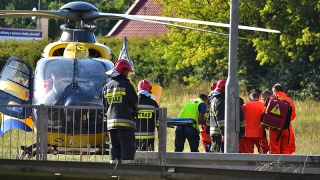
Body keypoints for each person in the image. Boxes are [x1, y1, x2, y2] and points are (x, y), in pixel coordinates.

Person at [102, 59, 139, 164]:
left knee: (114, 146)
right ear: (124, 72)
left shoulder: (106, 87)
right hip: (125, 123)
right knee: (127, 147)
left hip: (111, 124)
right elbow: (135, 103)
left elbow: (105, 105)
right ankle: (126, 173)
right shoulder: (127, 85)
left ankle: (114, 170)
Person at [209, 78, 245, 153]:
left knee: (216, 154)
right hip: (220, 134)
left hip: (215, 133)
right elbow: (221, 120)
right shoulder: (221, 102)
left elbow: (210, 117)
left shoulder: (215, 99)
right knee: (222, 155)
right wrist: (224, 134)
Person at [269, 83, 296, 154]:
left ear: (274, 91)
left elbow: (265, 114)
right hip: (286, 128)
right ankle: (286, 164)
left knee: (275, 149)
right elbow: (293, 116)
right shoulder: (289, 100)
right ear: (282, 90)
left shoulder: (271, 99)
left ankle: (276, 164)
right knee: (287, 148)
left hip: (274, 128)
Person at [135, 79, 159, 151]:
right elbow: (158, 121)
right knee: (149, 159)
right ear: (149, 89)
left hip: (134, 138)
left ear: (138, 89)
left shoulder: (132, 102)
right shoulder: (153, 103)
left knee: (135, 159)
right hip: (149, 138)